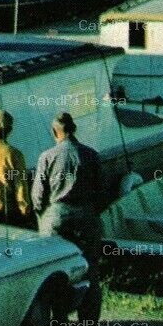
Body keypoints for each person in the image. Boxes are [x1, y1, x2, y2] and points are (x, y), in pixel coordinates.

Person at [31, 112, 105, 269]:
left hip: (57, 214)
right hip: (86, 213)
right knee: (89, 261)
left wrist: (43, 215)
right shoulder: (91, 154)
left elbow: (37, 195)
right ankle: (89, 287)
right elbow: (101, 189)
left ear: (54, 131)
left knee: (52, 262)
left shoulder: (47, 156)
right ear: (75, 128)